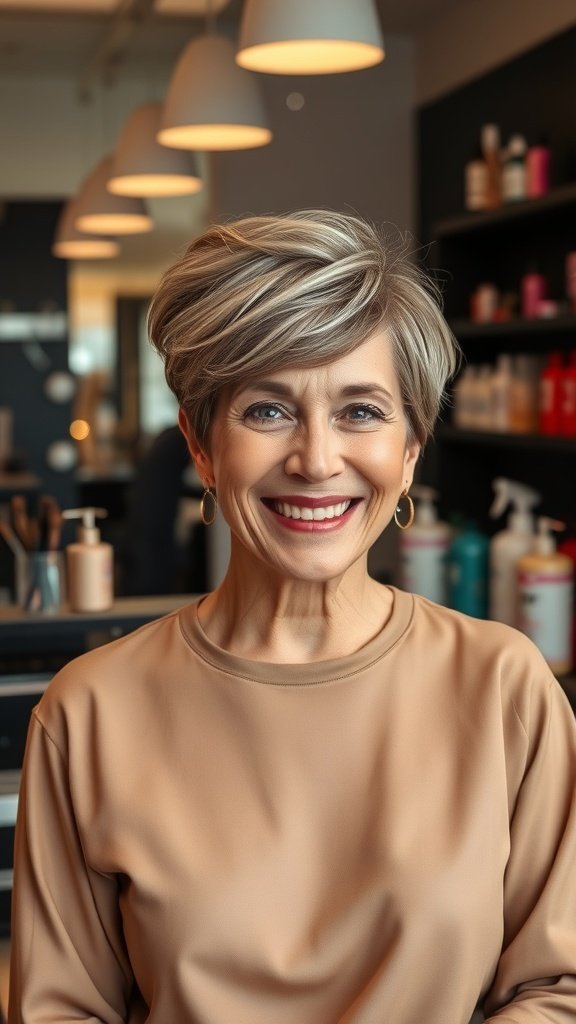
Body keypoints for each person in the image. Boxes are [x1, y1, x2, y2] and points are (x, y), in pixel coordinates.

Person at [8, 210, 576, 1024]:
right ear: (202, 448)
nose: (315, 460)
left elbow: (557, 990)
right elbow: (58, 1011)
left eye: (361, 412)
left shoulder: (503, 687)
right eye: (268, 411)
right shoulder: (88, 712)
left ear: (411, 447)